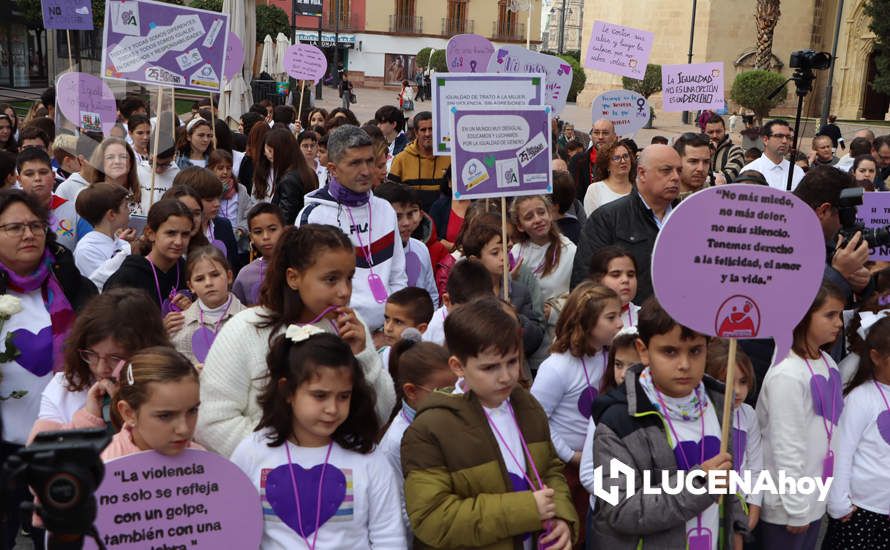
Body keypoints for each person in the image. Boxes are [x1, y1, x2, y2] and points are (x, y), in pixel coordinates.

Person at [197, 224, 395, 457]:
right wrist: (284, 455)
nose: (344, 291)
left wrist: (364, 355)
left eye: (349, 278)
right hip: (266, 482)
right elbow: (213, 420)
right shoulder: (245, 329)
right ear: (293, 278)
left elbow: (380, 412)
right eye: (331, 279)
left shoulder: (351, 327)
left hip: (339, 475)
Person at [402, 297, 578, 549]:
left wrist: (561, 516)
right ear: (458, 366)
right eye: (490, 367)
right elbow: (432, 518)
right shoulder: (430, 429)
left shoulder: (528, 407)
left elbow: (550, 470)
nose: (506, 377)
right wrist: (527, 509)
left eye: (512, 361)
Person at [589, 296, 747, 549]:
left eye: (695, 350)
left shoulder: (719, 404)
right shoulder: (617, 422)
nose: (684, 365)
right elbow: (619, 510)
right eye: (669, 351)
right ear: (643, 351)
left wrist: (736, 525)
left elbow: (726, 476)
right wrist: (700, 485)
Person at [230, 329, 407, 549]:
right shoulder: (252, 451)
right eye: (319, 395)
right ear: (287, 391)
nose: (332, 409)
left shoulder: (368, 458)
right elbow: (233, 529)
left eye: (343, 396)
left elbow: (388, 537)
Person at [0, 189, 96, 548]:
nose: (28, 234)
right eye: (14, 227)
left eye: (35, 225)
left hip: (58, 447)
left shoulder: (65, 278)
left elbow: (100, 335)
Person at [531, 283, 624, 546]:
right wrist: (570, 455)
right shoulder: (556, 367)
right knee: (572, 533)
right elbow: (537, 420)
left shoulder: (610, 356)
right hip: (565, 471)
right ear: (587, 322)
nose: (619, 324)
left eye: (619, 316)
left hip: (601, 462)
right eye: (611, 317)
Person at [756, 281, 844, 548]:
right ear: (802, 317)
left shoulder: (827, 363)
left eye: (840, 314)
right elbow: (787, 445)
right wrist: (796, 508)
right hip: (788, 507)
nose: (838, 323)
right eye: (830, 315)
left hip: (813, 499)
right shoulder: (787, 373)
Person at [297, 125, 408, 332]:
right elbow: (307, 289)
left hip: (385, 334)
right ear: (333, 169)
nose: (366, 171)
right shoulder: (314, 217)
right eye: (355, 163)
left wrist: (390, 329)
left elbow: (397, 277)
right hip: (337, 336)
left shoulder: (385, 209)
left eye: (369, 161)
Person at [28, 288, 168, 439]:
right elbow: (38, 454)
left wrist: (129, 410)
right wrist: (88, 418)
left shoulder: (168, 384)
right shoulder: (63, 386)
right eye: (92, 354)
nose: (102, 369)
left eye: (115, 358)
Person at [571, 144, 681, 302]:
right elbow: (585, 285)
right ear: (642, 173)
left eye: (679, 171)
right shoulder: (607, 218)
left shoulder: (689, 218)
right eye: (666, 170)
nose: (676, 177)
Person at [378, 334, 454, 536]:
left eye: (455, 389)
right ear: (411, 391)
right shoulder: (396, 441)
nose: (453, 398)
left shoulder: (444, 420)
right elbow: (399, 509)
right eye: (444, 391)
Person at [824, 316, 890, 549]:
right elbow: (842, 453)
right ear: (875, 357)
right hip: (859, 510)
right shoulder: (860, 398)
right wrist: (838, 502)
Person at [705, 339, 763, 549]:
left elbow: (755, 466)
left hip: (738, 509)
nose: (737, 391)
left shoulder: (748, 415)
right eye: (728, 382)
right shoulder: (703, 416)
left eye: (743, 381)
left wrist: (754, 506)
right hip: (706, 508)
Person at [102, 347, 203, 460]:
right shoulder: (102, 468)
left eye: (192, 410)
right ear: (129, 413)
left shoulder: (205, 461)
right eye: (165, 416)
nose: (184, 429)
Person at [462, 219, 545, 356]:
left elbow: (535, 339)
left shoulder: (519, 292)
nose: (503, 257)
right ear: (475, 260)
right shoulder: (466, 294)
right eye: (495, 253)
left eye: (506, 250)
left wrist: (518, 319)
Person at [104, 199, 193, 326]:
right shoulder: (127, 277)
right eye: (170, 233)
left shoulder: (189, 271)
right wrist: (158, 332)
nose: (178, 241)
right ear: (150, 233)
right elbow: (110, 327)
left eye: (185, 234)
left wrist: (192, 311)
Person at [170, 246, 245, 368]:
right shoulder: (179, 326)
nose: (208, 283)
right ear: (191, 286)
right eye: (200, 279)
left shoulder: (249, 320)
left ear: (229, 276)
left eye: (215, 275)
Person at [510, 194, 576, 330]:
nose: (538, 219)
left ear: (550, 214)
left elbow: (579, 293)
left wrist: (553, 312)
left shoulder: (569, 251)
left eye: (541, 212)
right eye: (529, 217)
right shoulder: (514, 253)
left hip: (557, 330)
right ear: (520, 226)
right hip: (523, 329)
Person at [374, 182, 439, 307]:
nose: (406, 223)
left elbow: (431, 295)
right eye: (397, 216)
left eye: (411, 214)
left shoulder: (421, 249)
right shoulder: (370, 255)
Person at [17, 147, 87, 253]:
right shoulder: (8, 214)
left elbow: (88, 249)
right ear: (19, 180)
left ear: (53, 176)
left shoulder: (76, 211)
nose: (37, 178)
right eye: (29, 174)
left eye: (43, 172)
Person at [73, 183, 134, 289]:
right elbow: (105, 285)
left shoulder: (122, 243)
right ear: (111, 215)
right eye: (125, 206)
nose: (129, 211)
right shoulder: (87, 249)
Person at [252, 127, 318, 225]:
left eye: (270, 150)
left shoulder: (289, 180)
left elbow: (285, 218)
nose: (267, 154)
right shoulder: (308, 172)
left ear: (282, 151)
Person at [174, 167, 239, 265]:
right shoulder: (176, 231)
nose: (217, 204)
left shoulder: (224, 225)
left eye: (218, 197)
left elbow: (233, 264)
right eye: (209, 200)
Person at [422, 257, 494, 346]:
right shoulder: (430, 332)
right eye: (465, 314)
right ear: (447, 300)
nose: (473, 319)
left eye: (480, 312)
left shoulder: (491, 324)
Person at [388, 111, 451, 212]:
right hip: (412, 222)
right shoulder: (401, 159)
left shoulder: (449, 158)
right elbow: (391, 195)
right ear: (416, 133)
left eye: (431, 129)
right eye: (423, 130)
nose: (427, 134)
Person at [232, 202, 284, 306]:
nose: (265, 237)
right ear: (251, 237)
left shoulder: (299, 266)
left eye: (272, 229)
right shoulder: (245, 274)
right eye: (258, 232)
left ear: (284, 230)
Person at [739, 119, 805, 191]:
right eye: (779, 136)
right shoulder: (750, 171)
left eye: (788, 137)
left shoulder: (798, 172)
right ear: (765, 140)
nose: (785, 141)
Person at [82, 136, 143, 214]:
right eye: (110, 157)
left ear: (131, 162)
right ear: (101, 163)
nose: (117, 161)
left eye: (123, 156)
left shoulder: (144, 193)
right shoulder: (89, 197)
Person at [588, 246, 640, 328]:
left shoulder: (647, 318)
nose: (625, 280)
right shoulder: (584, 317)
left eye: (631, 275)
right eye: (616, 275)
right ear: (597, 280)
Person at [569, 119, 618, 200]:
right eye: (596, 133)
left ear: (614, 137)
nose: (600, 137)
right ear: (591, 135)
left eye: (605, 133)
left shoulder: (623, 160)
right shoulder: (577, 161)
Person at [208, 149, 250, 242]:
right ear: (211, 169)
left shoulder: (240, 189)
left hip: (238, 241)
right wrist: (219, 193)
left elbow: (249, 214)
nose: (225, 172)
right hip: (215, 239)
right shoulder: (207, 191)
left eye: (228, 168)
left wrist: (241, 230)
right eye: (220, 168)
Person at [582, 141, 634, 214]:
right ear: (607, 164)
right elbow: (592, 222)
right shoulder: (595, 189)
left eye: (626, 156)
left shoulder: (640, 189)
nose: (623, 161)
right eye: (617, 158)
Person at [705, 116, 746, 184]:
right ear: (705, 133)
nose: (715, 135)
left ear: (725, 130)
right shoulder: (699, 151)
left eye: (718, 131)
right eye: (710, 132)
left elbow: (728, 177)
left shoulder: (736, 150)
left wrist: (703, 177)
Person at [674, 132, 712, 199]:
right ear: (677, 162)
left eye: (706, 162)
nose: (701, 168)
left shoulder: (717, 199)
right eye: (693, 161)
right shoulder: (660, 202)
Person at [375, 105, 408, 171]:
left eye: (381, 123)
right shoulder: (379, 141)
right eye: (378, 122)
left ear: (393, 124)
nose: (378, 126)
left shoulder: (406, 146)